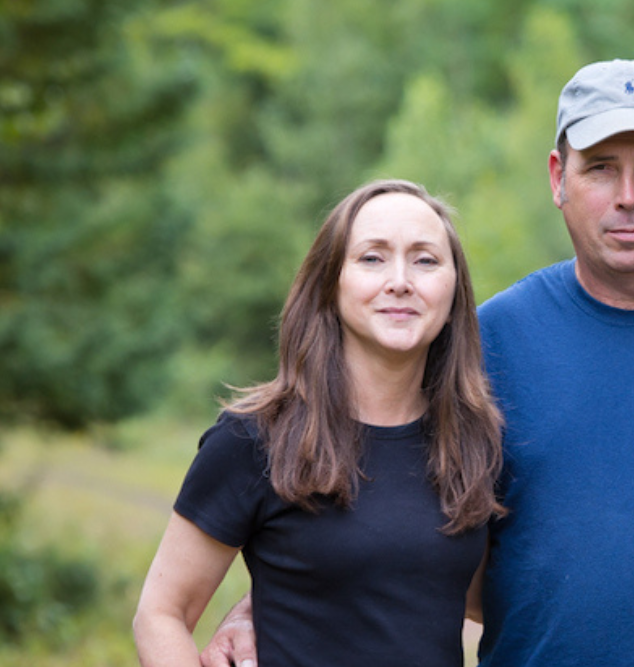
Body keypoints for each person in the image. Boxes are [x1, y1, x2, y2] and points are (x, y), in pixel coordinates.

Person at [202, 59, 634, 667]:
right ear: (558, 178)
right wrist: (272, 605)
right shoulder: (480, 344)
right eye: (599, 168)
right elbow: (380, 515)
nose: (627, 195)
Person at [133, 179, 505, 667]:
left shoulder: (474, 443)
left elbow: (465, 593)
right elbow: (161, 614)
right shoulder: (256, 438)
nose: (400, 280)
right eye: (372, 258)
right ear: (331, 283)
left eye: (425, 259)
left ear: (455, 290)